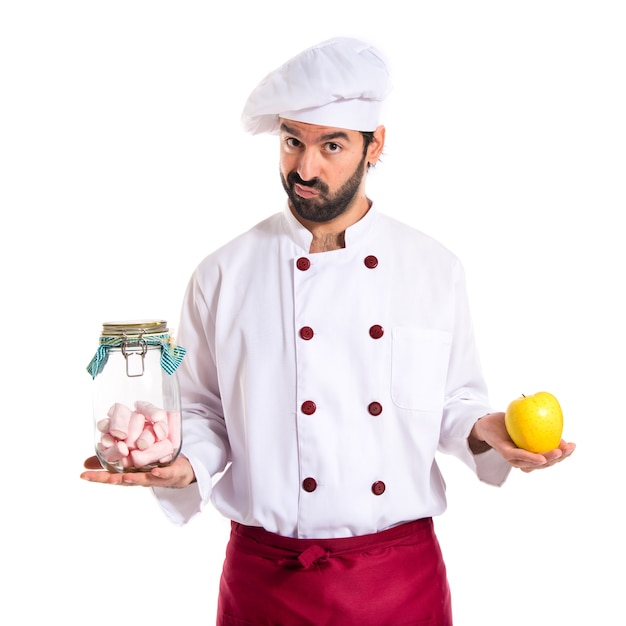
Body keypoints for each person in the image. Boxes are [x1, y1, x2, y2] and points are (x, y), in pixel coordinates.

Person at [81, 37, 576, 625]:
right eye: (292, 141)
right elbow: (203, 411)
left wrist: (483, 429)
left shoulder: (433, 268)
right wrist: (184, 462)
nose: (305, 168)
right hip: (265, 580)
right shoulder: (221, 274)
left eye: (331, 145)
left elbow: (451, 402)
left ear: (376, 145)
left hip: (399, 578)